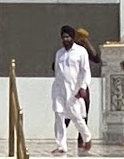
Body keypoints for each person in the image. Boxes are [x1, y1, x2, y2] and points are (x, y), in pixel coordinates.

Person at [51, 25, 91, 154]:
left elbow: (85, 71)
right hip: (59, 89)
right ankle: (61, 146)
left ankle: (87, 137)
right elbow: (57, 72)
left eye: (68, 37)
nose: (66, 39)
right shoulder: (59, 53)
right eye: (63, 37)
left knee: (75, 115)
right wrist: (57, 88)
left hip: (74, 90)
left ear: (73, 38)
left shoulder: (81, 52)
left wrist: (83, 87)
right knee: (59, 115)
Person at [74, 27, 101, 141]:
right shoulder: (71, 50)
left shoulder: (84, 50)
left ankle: (82, 137)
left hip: (82, 84)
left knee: (84, 111)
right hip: (71, 84)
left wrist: (87, 43)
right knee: (67, 114)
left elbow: (96, 58)